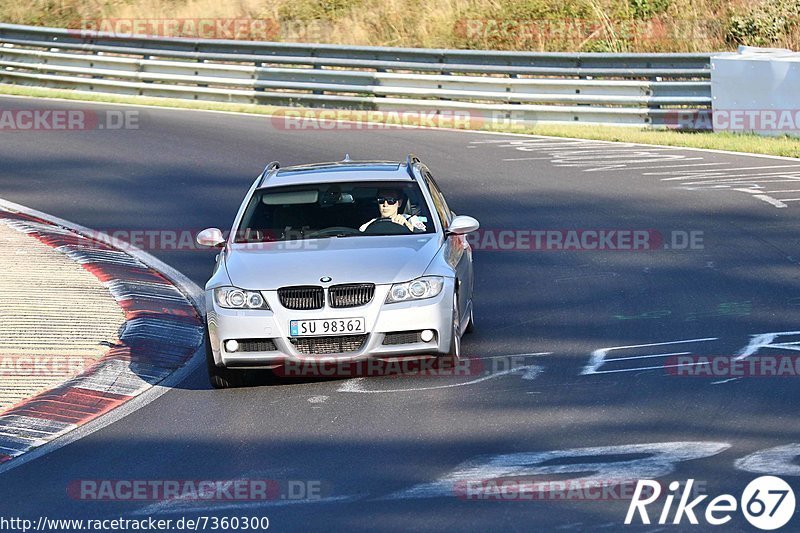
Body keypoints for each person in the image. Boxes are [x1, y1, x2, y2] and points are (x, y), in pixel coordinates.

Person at [359, 188, 427, 233]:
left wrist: (409, 226)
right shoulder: (370, 224)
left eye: (390, 200)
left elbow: (426, 236)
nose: (385, 204)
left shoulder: (411, 220)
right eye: (381, 200)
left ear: (399, 203)